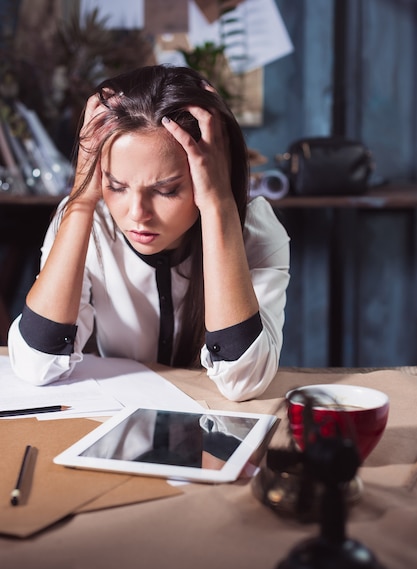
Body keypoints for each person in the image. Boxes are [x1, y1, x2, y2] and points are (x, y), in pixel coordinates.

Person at [8, 64, 290, 401]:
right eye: (116, 186)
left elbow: (244, 381)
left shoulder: (254, 229)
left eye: (166, 190)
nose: (137, 214)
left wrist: (218, 207)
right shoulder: (87, 222)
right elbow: (35, 365)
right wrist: (82, 198)